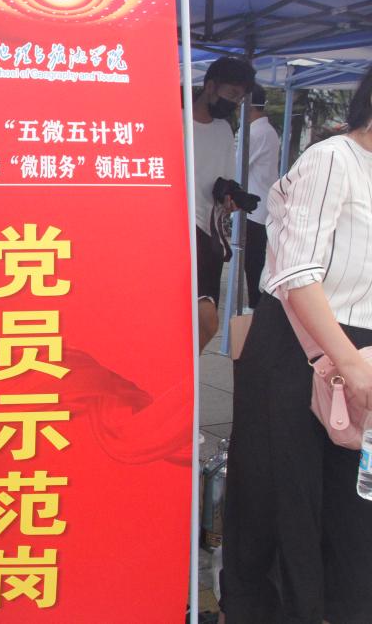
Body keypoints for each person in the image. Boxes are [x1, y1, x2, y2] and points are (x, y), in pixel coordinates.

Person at [220, 65, 372, 623]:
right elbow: (296, 273)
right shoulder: (332, 159)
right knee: (284, 502)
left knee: (353, 510)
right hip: (300, 346)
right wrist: (350, 364)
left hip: (362, 355)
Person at [192, 57, 255, 348]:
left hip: (208, 235)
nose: (235, 102)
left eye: (240, 98)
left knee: (207, 321)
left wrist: (232, 198)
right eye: (231, 94)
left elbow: (224, 180)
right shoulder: (174, 121)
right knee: (204, 318)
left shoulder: (223, 130)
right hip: (173, 232)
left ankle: (182, 370)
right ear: (210, 86)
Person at [240, 84, 281, 310]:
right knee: (255, 258)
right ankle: (255, 303)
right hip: (262, 203)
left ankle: (255, 305)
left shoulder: (256, 132)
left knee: (253, 260)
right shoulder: (267, 131)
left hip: (255, 208)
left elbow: (238, 165)